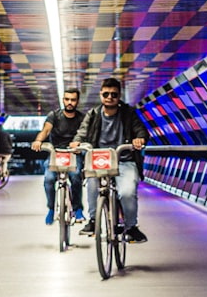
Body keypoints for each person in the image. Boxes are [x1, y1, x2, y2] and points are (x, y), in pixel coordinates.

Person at [72, 77, 150, 243]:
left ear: (119, 95)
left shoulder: (129, 113)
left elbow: (141, 130)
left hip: (124, 160)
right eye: (106, 94)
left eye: (113, 94)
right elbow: (82, 131)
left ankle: (131, 227)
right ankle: (93, 221)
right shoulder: (93, 114)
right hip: (100, 160)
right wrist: (77, 142)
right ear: (101, 94)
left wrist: (140, 139)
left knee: (127, 192)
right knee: (92, 184)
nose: (109, 97)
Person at [31, 88, 86, 225]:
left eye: (73, 100)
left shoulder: (82, 118)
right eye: (67, 99)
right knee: (49, 179)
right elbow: (46, 130)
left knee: (76, 176)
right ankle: (51, 208)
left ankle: (78, 209)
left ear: (77, 101)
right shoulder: (54, 116)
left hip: (74, 154)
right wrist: (39, 140)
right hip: (56, 154)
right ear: (63, 100)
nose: (69, 102)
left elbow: (86, 134)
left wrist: (79, 145)